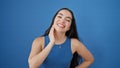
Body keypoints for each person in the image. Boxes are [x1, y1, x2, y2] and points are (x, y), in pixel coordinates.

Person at [28, 8, 94, 68]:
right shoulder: (39, 41)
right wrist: (51, 43)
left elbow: (90, 59)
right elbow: (32, 65)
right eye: (59, 16)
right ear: (54, 20)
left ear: (69, 27)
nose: (62, 21)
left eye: (67, 20)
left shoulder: (74, 43)